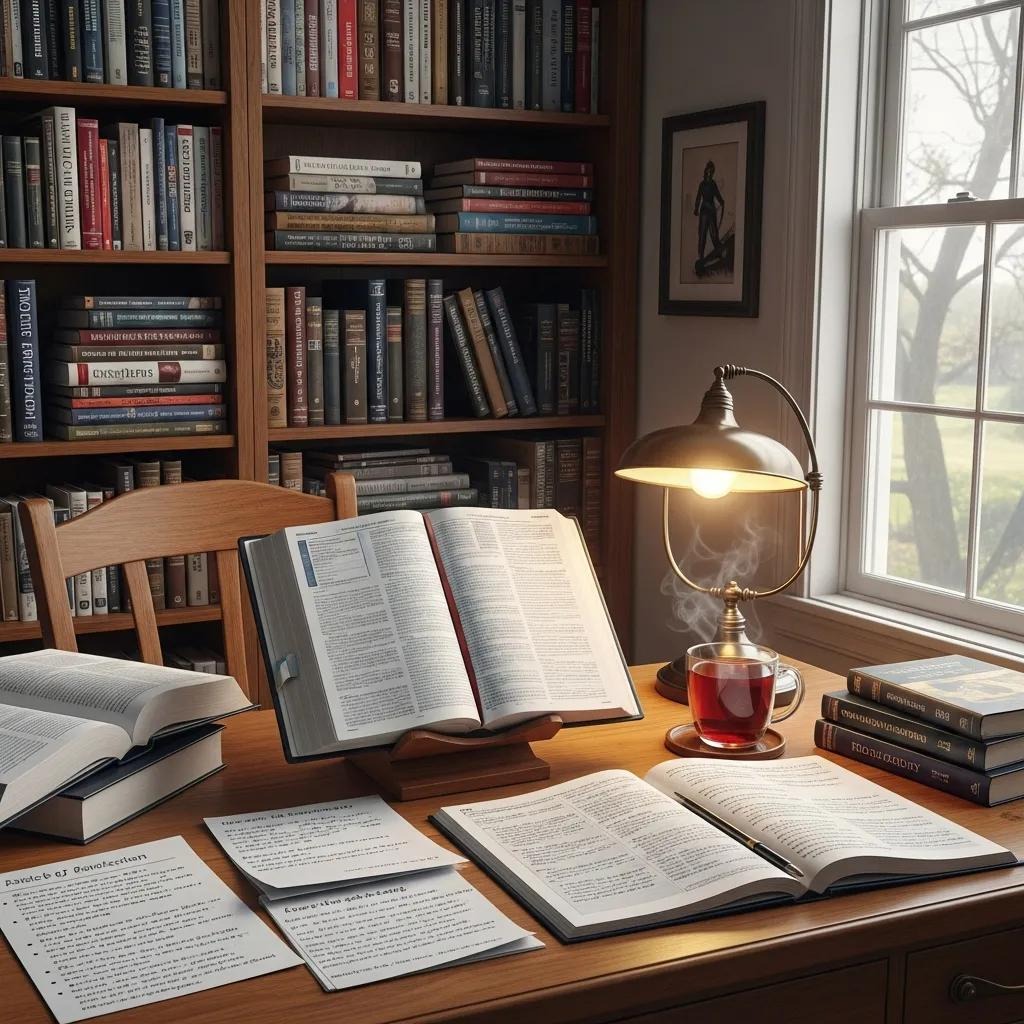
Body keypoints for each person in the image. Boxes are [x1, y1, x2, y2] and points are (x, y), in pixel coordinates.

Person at [693, 161, 725, 262]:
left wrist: (721, 201)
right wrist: (696, 208)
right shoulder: (702, 184)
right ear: (706, 171)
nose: (709, 173)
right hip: (704, 212)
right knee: (702, 234)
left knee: (714, 234)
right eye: (708, 171)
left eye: (711, 172)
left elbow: (717, 195)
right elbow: (698, 197)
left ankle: (718, 253)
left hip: (711, 212)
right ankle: (701, 257)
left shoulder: (713, 184)